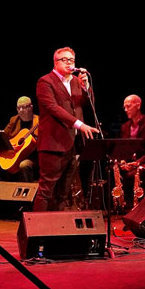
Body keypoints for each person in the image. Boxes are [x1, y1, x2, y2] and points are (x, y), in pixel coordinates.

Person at [33, 47, 100, 212]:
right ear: (55, 62)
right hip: (52, 144)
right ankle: (37, 232)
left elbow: (88, 103)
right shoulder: (45, 82)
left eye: (72, 60)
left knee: (63, 193)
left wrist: (86, 87)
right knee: (46, 190)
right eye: (65, 59)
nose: (69, 63)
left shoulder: (76, 82)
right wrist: (80, 125)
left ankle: (56, 230)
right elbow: (54, 108)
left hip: (71, 144)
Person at [118, 94, 145, 209]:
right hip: (130, 163)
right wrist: (122, 161)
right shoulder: (125, 127)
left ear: (138, 105)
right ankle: (120, 205)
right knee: (111, 170)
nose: (126, 110)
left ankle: (138, 207)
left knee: (133, 174)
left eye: (128, 106)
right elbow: (122, 149)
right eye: (124, 107)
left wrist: (137, 162)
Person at [0, 96, 39, 182]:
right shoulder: (14, 120)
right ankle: (4, 192)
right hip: (13, 158)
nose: (21, 110)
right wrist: (8, 148)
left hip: (32, 159)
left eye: (24, 107)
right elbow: (2, 137)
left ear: (31, 107)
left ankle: (27, 193)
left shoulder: (38, 121)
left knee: (24, 165)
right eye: (19, 108)